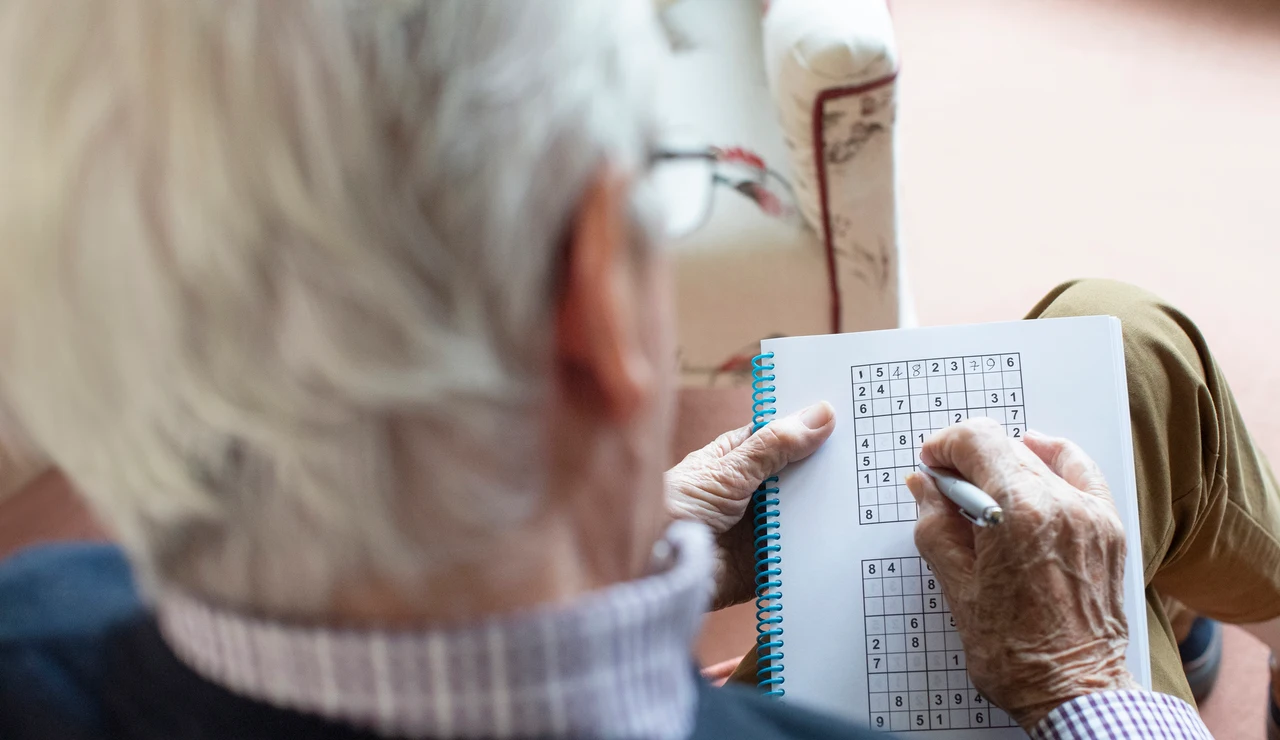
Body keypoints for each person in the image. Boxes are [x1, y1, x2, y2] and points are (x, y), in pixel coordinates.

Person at [0, 2, 1272, 739]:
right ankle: (1152, 625)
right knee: (1129, 347)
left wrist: (591, 557)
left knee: (1124, 361)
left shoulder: (34, 628)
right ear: (601, 304)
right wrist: (1085, 687)